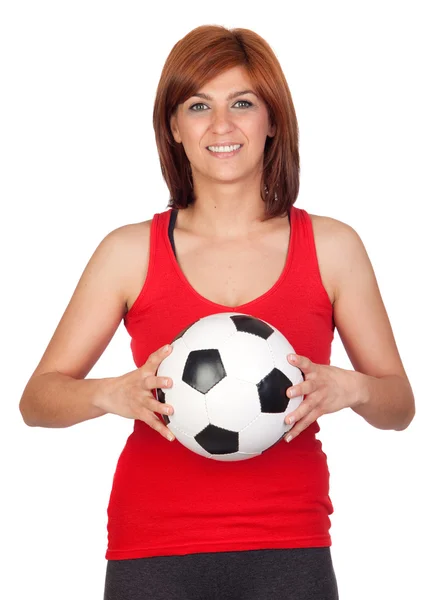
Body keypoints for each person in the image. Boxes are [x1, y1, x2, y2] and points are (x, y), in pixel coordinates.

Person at [19, 24, 415, 600]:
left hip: (290, 545)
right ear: (174, 126)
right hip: (153, 549)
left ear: (272, 119)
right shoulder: (128, 252)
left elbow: (398, 406)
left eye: (243, 104)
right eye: (199, 105)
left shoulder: (333, 247)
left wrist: (349, 389)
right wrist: (111, 394)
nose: (222, 125)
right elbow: (37, 401)